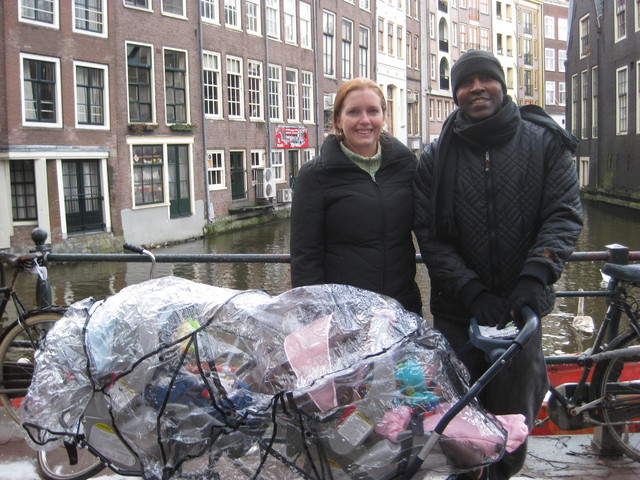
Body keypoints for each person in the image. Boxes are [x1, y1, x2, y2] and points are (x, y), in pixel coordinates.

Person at [413, 50, 583, 479]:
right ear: (455, 95)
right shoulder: (435, 157)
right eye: (465, 83)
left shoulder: (544, 141)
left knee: (513, 421)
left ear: (501, 85)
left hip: (520, 312)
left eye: (484, 80)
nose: (476, 88)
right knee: (458, 425)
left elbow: (563, 214)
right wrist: (471, 291)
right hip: (459, 312)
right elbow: (430, 235)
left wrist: (535, 276)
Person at [290, 78, 422, 314]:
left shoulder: (406, 165)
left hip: (400, 309)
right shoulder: (315, 176)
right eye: (353, 112)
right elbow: (306, 259)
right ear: (338, 120)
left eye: (373, 111)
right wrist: (320, 316)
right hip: (347, 315)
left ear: (384, 116)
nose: (365, 120)